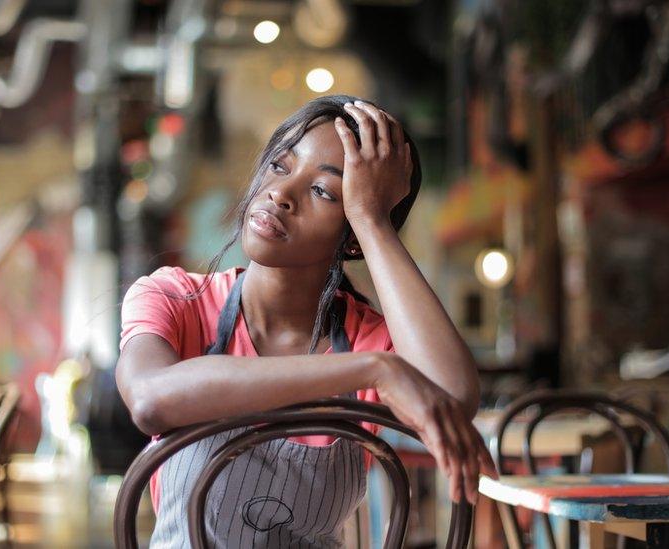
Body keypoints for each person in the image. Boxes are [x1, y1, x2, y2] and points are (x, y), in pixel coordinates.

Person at [117, 95, 496, 547]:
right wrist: (372, 369)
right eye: (280, 166)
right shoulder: (175, 297)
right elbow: (149, 399)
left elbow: (452, 398)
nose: (282, 193)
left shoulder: (364, 335)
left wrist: (373, 221)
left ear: (352, 236)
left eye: (323, 191)